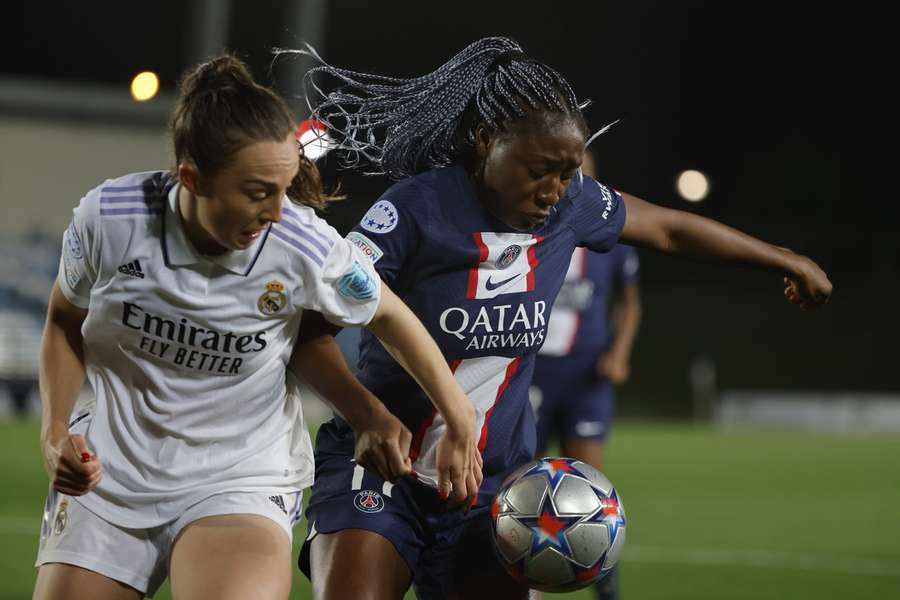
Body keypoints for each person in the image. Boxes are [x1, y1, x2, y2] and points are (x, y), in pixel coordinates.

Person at [294, 36, 832, 600]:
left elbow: (670, 228)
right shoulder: (413, 209)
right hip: (383, 471)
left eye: (568, 171)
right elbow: (310, 335)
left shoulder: (571, 205)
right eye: (538, 170)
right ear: (485, 142)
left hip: (492, 487)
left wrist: (784, 260)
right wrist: (368, 415)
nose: (554, 190)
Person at [32, 55, 480, 600]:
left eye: (285, 188)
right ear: (192, 177)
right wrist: (55, 430)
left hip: (238, 477)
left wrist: (457, 417)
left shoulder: (303, 245)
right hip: (109, 472)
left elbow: (388, 313)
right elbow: (63, 322)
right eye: (257, 191)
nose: (275, 211)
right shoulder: (109, 219)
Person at [529, 150, 641, 600]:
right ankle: (525, 581)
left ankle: (605, 585)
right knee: (524, 484)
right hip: (532, 372)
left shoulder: (612, 237)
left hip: (586, 374)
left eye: (579, 175)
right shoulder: (528, 229)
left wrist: (619, 351)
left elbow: (629, 302)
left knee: (592, 490)